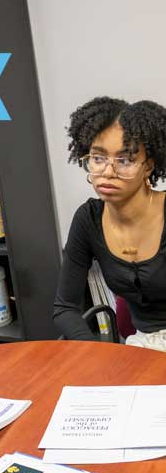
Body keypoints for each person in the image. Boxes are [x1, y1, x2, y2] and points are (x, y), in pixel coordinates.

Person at [53, 96, 166, 345]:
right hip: (143, 347)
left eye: (124, 160)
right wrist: (101, 355)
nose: (107, 171)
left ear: (148, 166)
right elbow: (65, 308)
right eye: (98, 158)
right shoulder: (88, 219)